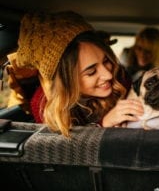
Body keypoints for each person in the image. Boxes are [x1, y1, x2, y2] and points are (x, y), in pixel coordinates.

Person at [14, 11, 144, 137]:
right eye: (91, 72)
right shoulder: (45, 104)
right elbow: (61, 151)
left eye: (106, 61)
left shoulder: (119, 77)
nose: (108, 75)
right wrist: (103, 124)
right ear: (65, 80)